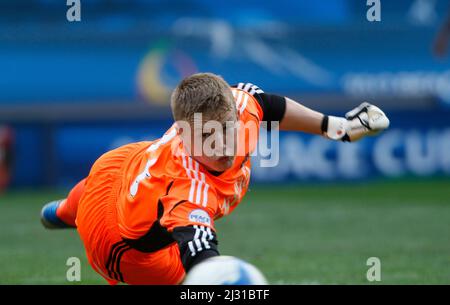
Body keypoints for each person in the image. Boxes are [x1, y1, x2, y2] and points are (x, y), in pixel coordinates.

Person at [40, 73, 389, 285]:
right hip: (124, 248)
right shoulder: (187, 191)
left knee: (92, 190)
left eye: (227, 131)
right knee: (179, 278)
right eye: (208, 138)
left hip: (124, 166)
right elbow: (201, 257)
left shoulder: (239, 108)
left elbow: (268, 105)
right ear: (183, 134)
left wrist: (337, 127)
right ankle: (73, 214)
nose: (223, 146)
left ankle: (62, 213)